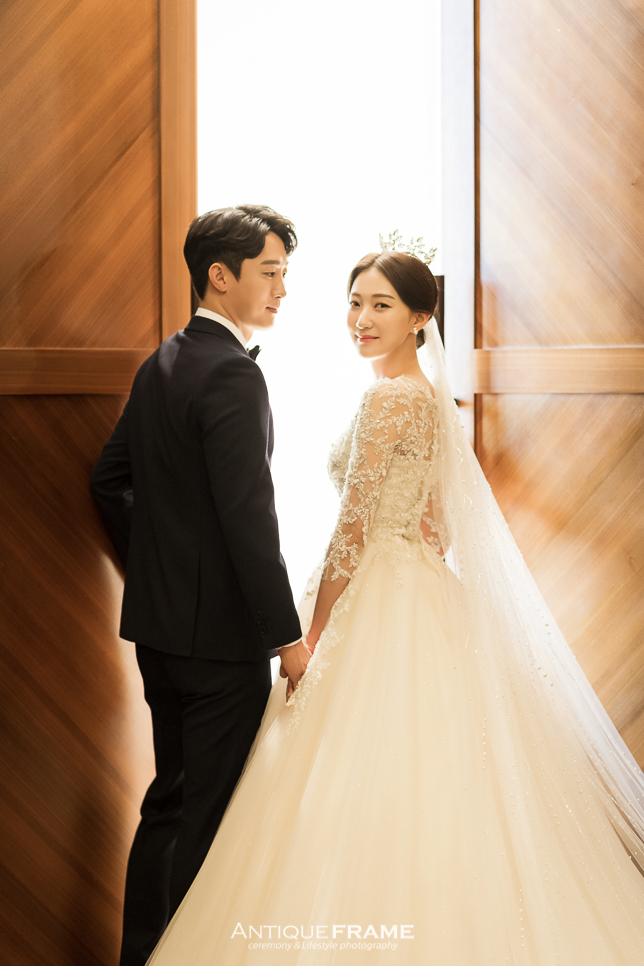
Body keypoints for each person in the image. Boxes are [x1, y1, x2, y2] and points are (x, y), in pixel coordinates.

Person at [145, 246, 644, 965]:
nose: (362, 319)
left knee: (349, 779)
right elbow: (438, 524)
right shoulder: (429, 398)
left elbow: (353, 528)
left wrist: (311, 635)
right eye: (354, 303)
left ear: (419, 317)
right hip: (418, 587)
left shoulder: (387, 400)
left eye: (381, 305)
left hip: (371, 592)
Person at [90, 204, 311, 966]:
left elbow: (109, 480)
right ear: (221, 276)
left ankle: (142, 957)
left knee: (170, 804)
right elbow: (250, 519)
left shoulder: (164, 361)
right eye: (271, 272)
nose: (282, 289)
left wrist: (161, 572)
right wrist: (288, 638)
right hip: (220, 646)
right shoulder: (234, 374)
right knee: (212, 822)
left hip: (158, 634)